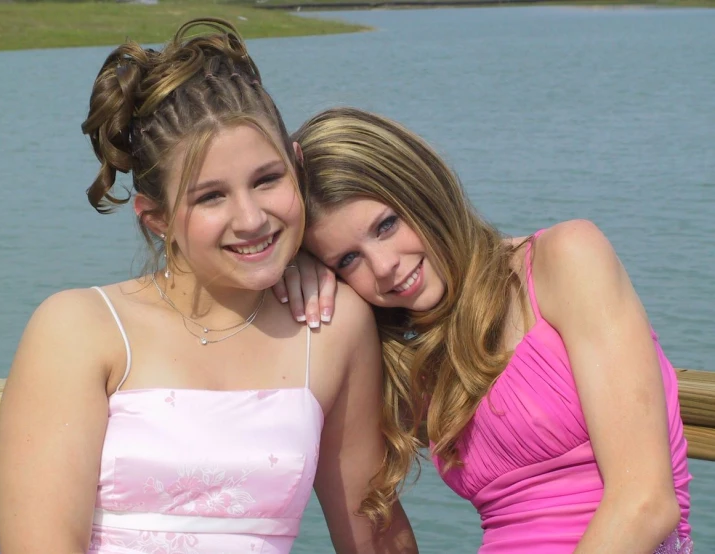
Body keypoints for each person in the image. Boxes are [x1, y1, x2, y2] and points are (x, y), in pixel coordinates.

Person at [0, 24, 419, 554]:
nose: (251, 218)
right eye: (211, 197)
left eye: (267, 180)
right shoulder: (80, 328)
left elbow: (372, 531)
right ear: (156, 218)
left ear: (297, 166)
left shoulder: (331, 325)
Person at [274, 106, 693, 553]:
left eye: (387, 225)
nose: (384, 266)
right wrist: (289, 269)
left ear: (422, 186)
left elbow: (646, 505)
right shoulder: (409, 357)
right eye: (347, 260)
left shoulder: (566, 259)